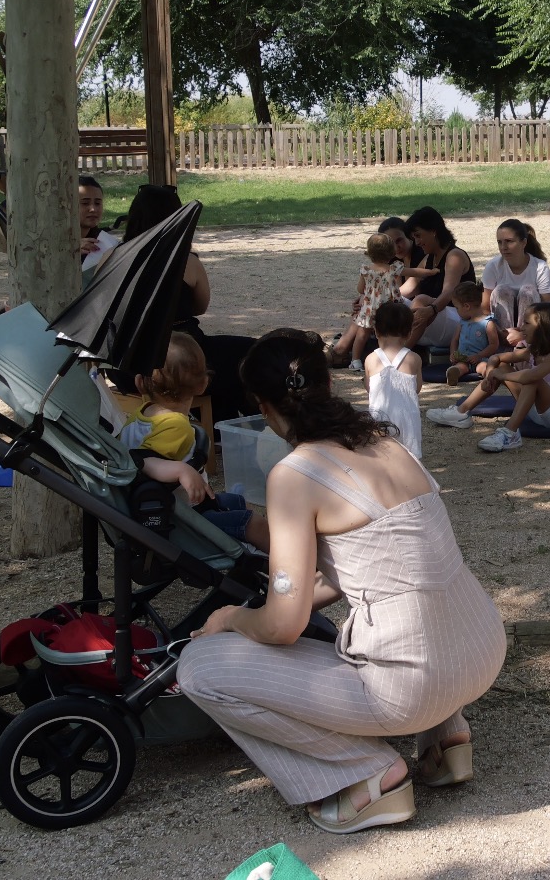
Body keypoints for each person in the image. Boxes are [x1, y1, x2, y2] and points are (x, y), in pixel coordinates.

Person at [178, 330, 505, 835]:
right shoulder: (389, 445)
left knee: (198, 668)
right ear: (329, 383)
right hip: (481, 651)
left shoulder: (294, 474)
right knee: (417, 605)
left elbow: (283, 625)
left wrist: (232, 619)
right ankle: (447, 738)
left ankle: (367, 775)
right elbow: (380, 572)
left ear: (263, 407)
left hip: (411, 687)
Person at [122, 185, 256, 418]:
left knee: (220, 366)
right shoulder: (186, 262)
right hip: (175, 362)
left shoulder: (111, 259)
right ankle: (231, 425)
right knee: (250, 354)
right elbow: (200, 307)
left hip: (126, 367)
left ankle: (217, 421)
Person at [117, 331, 251, 541]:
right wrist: (181, 470)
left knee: (235, 501)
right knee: (254, 524)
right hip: (183, 517)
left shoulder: (141, 413)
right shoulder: (175, 426)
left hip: (167, 507)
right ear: (204, 384)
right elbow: (141, 460)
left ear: (139, 383)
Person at [425, 303, 550, 453]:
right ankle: (461, 413)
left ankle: (510, 433)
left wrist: (501, 375)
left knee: (532, 380)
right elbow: (496, 358)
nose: (521, 328)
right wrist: (491, 373)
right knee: (502, 367)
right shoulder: (533, 351)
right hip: (539, 414)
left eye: (527, 323)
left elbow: (532, 376)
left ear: (543, 327)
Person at [401, 207, 477, 352]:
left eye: (418, 236)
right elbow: (405, 290)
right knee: (385, 300)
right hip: (434, 320)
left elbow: (449, 292)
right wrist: (371, 298)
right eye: (414, 238)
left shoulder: (455, 256)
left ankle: (398, 355)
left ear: (433, 231)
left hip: (460, 321)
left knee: (421, 300)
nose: (416, 242)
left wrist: (431, 309)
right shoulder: (428, 258)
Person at [328, 233, 404, 369]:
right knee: (384, 335)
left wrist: (369, 289)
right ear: (392, 252)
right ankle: (384, 360)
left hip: (369, 307)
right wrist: (430, 272)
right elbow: (414, 272)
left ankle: (355, 361)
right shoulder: (393, 269)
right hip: (387, 308)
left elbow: (360, 289)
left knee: (362, 334)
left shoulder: (366, 270)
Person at [480, 219, 550, 347]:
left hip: (531, 333)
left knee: (528, 291)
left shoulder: (540, 267)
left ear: (523, 242)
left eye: (509, 241)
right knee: (501, 290)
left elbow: (548, 309)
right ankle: (504, 346)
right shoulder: (493, 266)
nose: (503, 247)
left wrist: (523, 335)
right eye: (499, 242)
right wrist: (502, 333)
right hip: (500, 333)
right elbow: (484, 308)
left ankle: (525, 345)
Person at [365, 300, 423, 459]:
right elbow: (417, 388)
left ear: (376, 331)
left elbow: (369, 387)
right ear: (409, 333)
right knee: (409, 458)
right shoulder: (414, 359)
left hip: (380, 418)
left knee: (382, 457)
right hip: (407, 419)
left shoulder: (371, 359)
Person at [445, 282, 499, 385]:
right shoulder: (462, 323)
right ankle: (454, 374)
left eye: (457, 308)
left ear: (466, 306)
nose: (457, 311)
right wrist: (453, 353)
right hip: (463, 359)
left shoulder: (488, 323)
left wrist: (479, 355)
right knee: (460, 367)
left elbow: (494, 345)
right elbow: (454, 340)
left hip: (481, 359)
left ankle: (489, 377)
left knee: (483, 367)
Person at [78, 176, 122, 275]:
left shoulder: (110, 245)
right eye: (85, 203)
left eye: (97, 203)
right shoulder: (51, 244)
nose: (93, 209)